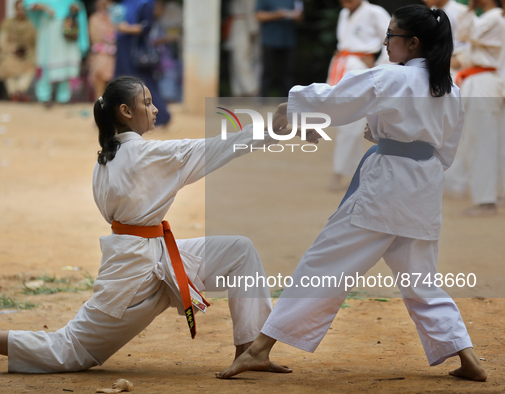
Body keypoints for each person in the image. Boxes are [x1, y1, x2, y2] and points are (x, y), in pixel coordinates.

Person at [0, 76, 316, 375]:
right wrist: (276, 128)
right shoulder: (147, 155)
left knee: (238, 251)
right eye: (147, 103)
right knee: (71, 352)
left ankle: (249, 350)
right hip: (135, 271)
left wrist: (275, 129)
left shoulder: (106, 160)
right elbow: (215, 149)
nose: (155, 109)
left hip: (151, 255)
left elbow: (207, 150)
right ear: (125, 112)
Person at [216, 5, 488, 382]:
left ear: (412, 43)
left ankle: (259, 349)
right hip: (423, 187)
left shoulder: (393, 77)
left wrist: (289, 105)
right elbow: (442, 150)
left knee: (323, 263)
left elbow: (334, 100)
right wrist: (389, 139)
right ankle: (468, 356)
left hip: (386, 186)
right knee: (420, 279)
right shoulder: (450, 88)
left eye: (391, 36)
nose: (386, 43)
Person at [445, 0, 505, 216]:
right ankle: (495, 195)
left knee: (482, 143)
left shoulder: (496, 17)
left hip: (484, 82)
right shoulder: (487, 18)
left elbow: (464, 35)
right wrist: (470, 10)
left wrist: (469, 11)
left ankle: (486, 201)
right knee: (489, 141)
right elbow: (465, 36)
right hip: (477, 80)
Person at [326, 0, 391, 192]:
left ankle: (339, 172)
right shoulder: (344, 14)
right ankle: (355, 172)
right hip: (344, 67)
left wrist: (379, 64)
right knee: (347, 123)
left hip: (363, 71)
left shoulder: (375, 12)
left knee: (352, 123)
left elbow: (395, 37)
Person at [114, 0, 171, 127]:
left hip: (136, 50)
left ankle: (161, 117)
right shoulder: (125, 3)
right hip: (123, 47)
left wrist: (127, 29)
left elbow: (147, 26)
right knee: (120, 82)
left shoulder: (144, 3)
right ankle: (113, 118)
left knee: (142, 84)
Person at [24, 0, 89, 106]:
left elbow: (78, 6)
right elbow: (28, 4)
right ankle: (44, 96)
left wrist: (75, 9)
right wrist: (44, 7)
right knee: (47, 64)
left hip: (67, 31)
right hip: (49, 31)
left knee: (66, 64)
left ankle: (63, 98)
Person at [255, 0, 302, 97]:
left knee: (287, 72)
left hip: (287, 40)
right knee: (267, 71)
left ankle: (288, 98)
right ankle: (262, 97)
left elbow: (300, 17)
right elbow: (258, 15)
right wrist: (276, 15)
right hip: (269, 40)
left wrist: (295, 16)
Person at [0, 0, 37, 102]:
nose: (21, 11)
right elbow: (1, 42)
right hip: (11, 54)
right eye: (19, 9)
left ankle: (19, 91)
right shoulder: (7, 23)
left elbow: (36, 42)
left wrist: (25, 51)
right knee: (6, 65)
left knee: (31, 66)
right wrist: (13, 49)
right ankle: (14, 93)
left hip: (28, 55)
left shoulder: (32, 23)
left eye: (23, 9)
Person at [225, 0, 260, 97]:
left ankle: (252, 89)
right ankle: (239, 92)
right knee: (236, 61)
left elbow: (250, 11)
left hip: (244, 26)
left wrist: (253, 30)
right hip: (237, 24)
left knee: (242, 59)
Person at [88, 0, 116, 100]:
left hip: (115, 55)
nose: (103, 6)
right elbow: (95, 38)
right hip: (100, 54)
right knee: (100, 66)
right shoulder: (94, 18)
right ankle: (100, 105)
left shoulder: (117, 16)